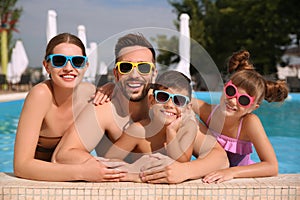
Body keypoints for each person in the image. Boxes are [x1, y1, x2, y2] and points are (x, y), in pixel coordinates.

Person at [53, 33, 228, 183]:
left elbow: (219, 158)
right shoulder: (103, 109)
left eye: (144, 67)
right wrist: (124, 171)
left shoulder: (170, 107)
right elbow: (63, 155)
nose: (135, 75)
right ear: (116, 73)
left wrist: (185, 171)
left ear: (154, 73)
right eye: (126, 67)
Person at [13, 33, 125, 181]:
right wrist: (82, 172)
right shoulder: (41, 95)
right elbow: (21, 166)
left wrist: (112, 87)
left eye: (77, 62)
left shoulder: (91, 94)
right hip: (42, 179)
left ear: (85, 66)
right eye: (59, 61)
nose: (68, 68)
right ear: (47, 66)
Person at [191, 50, 288, 183]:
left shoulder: (249, 123)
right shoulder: (207, 110)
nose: (232, 101)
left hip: (240, 175)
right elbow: (179, 99)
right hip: (212, 174)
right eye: (231, 91)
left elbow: (272, 166)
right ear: (225, 87)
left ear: (253, 108)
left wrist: (231, 172)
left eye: (243, 100)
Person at [105, 70, 197, 163]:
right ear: (152, 101)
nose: (169, 105)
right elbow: (108, 160)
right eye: (162, 97)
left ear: (188, 108)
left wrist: (171, 132)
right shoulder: (139, 131)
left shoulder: (188, 127)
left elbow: (182, 163)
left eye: (178, 100)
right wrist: (132, 170)